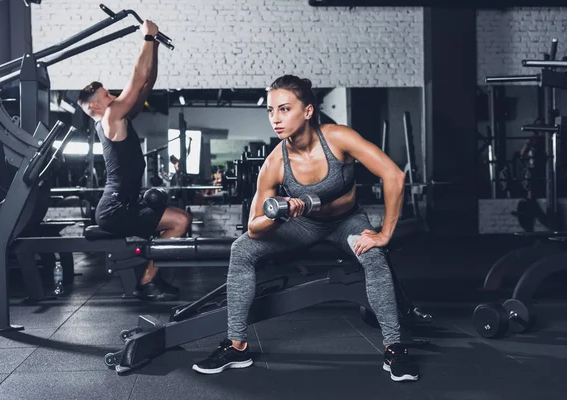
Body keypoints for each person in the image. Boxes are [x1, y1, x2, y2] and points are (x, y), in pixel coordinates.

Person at [192, 75, 419, 382]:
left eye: (284, 109)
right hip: (303, 226)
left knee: (374, 254)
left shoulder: (338, 138)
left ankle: (395, 348)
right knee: (241, 248)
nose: (276, 118)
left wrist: (385, 233)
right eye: (271, 111)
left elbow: (394, 176)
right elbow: (254, 227)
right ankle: (237, 346)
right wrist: (281, 214)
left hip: (347, 222)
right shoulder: (275, 162)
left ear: (308, 111)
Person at [76, 20, 191, 301]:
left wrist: (155, 47)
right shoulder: (109, 118)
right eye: (106, 96)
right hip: (115, 209)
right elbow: (137, 79)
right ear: (95, 106)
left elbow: (146, 82)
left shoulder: (117, 117)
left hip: (123, 204)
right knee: (180, 221)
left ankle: (151, 276)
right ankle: (148, 280)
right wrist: (147, 38)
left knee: (179, 218)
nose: (113, 97)